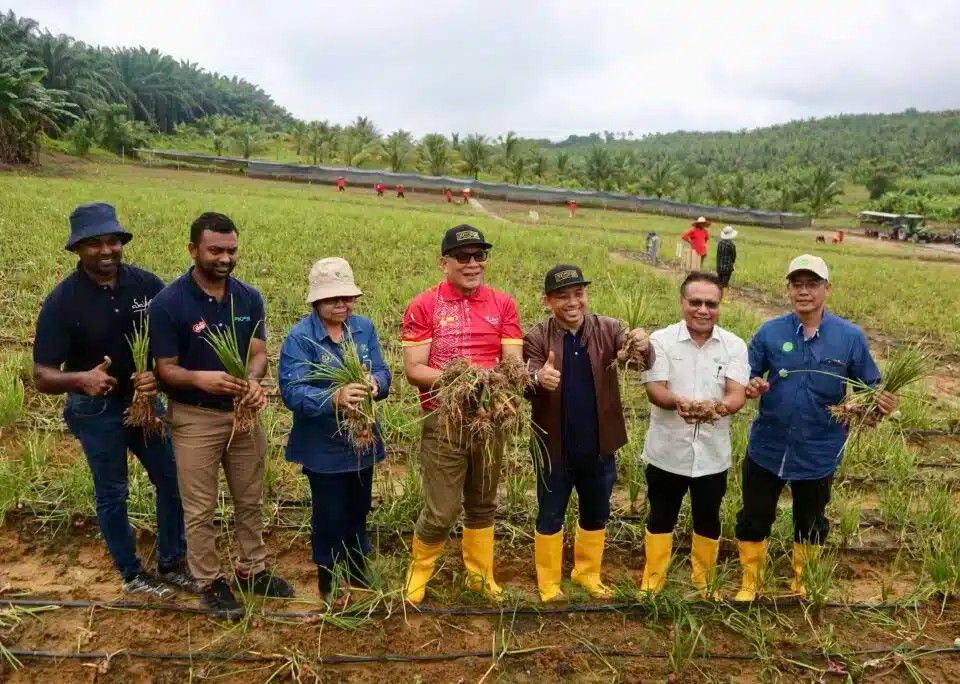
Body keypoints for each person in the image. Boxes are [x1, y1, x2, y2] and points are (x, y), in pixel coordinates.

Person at [33, 203, 189, 598]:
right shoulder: (63, 301)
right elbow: (42, 375)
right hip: (95, 410)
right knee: (113, 491)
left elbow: (175, 335)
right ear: (77, 250)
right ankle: (132, 573)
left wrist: (157, 372)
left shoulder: (147, 286)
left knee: (172, 477)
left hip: (142, 405)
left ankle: (172, 561)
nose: (106, 250)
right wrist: (80, 379)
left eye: (113, 241)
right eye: (95, 243)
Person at [150, 212, 294, 618]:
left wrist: (251, 379)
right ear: (193, 249)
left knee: (250, 498)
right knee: (200, 507)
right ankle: (210, 582)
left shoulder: (248, 297)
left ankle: (253, 570)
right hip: (194, 417)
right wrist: (200, 379)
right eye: (215, 250)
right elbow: (166, 368)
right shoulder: (169, 303)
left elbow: (259, 352)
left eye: (231, 250)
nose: (225, 258)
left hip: (243, 413)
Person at [734, 255, 898, 601]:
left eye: (812, 284)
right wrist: (751, 385)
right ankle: (751, 582)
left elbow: (871, 386)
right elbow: (745, 373)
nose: (804, 292)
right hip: (768, 445)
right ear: (789, 289)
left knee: (810, 520)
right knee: (754, 515)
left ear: (827, 289)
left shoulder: (849, 337)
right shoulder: (770, 332)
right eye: (797, 284)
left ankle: (803, 581)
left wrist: (878, 404)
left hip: (819, 448)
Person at [401, 225, 524, 604]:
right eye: (464, 257)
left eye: (480, 256)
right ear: (444, 263)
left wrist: (501, 383)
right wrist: (461, 379)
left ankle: (479, 576)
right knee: (442, 510)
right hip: (445, 418)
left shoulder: (504, 304)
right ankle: (418, 572)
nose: (473, 264)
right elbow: (414, 369)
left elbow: (513, 361)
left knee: (484, 502)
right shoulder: (424, 305)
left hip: (489, 418)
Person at [524, 265, 651, 602]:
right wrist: (539, 379)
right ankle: (549, 582)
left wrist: (641, 342)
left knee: (596, 511)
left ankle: (587, 574)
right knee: (550, 512)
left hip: (598, 445)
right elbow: (525, 377)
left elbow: (640, 360)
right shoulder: (537, 337)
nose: (572, 302)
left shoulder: (609, 329)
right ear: (547, 300)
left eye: (578, 294)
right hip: (554, 446)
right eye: (563, 296)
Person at [279, 258, 391, 604]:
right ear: (316, 301)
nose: (341, 305)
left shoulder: (364, 329)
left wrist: (376, 383)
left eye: (347, 298)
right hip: (323, 446)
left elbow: (384, 372)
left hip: (361, 440)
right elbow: (292, 392)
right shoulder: (300, 338)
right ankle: (329, 577)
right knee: (329, 513)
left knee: (359, 507)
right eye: (332, 299)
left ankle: (357, 565)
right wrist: (335, 397)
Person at [639, 272, 749, 597]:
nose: (703, 310)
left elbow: (736, 393)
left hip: (712, 455)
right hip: (667, 451)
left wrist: (719, 408)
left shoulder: (734, 345)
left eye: (711, 304)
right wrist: (678, 401)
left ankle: (704, 582)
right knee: (660, 515)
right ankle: (653, 580)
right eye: (695, 302)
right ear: (682, 303)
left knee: (708, 517)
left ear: (720, 305)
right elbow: (655, 390)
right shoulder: (661, 341)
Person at [715, 226, 738, 292]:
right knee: (725, 283)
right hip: (727, 268)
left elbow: (718, 255)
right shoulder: (731, 245)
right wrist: (732, 263)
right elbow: (733, 256)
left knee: (719, 281)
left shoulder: (720, 243)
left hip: (719, 266)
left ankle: (717, 295)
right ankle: (724, 298)